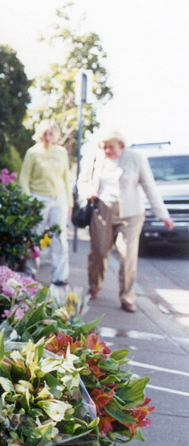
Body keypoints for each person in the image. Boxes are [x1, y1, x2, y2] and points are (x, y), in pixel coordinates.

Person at [77, 129, 175, 312]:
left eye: (110, 147)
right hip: (102, 211)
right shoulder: (97, 158)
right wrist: (87, 191)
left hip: (131, 215)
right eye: (103, 147)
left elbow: (149, 187)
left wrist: (163, 215)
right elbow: (82, 181)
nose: (107, 151)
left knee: (127, 256)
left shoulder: (137, 158)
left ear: (121, 145)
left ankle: (127, 297)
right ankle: (94, 285)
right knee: (98, 252)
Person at [19, 119, 71, 286]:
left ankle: (59, 276)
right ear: (40, 135)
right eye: (45, 134)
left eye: (51, 134)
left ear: (55, 135)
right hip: (38, 198)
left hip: (59, 198)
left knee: (60, 237)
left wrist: (69, 201)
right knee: (34, 236)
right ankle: (30, 273)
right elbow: (24, 178)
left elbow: (66, 178)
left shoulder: (62, 152)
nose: (48, 137)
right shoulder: (33, 152)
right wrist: (29, 201)